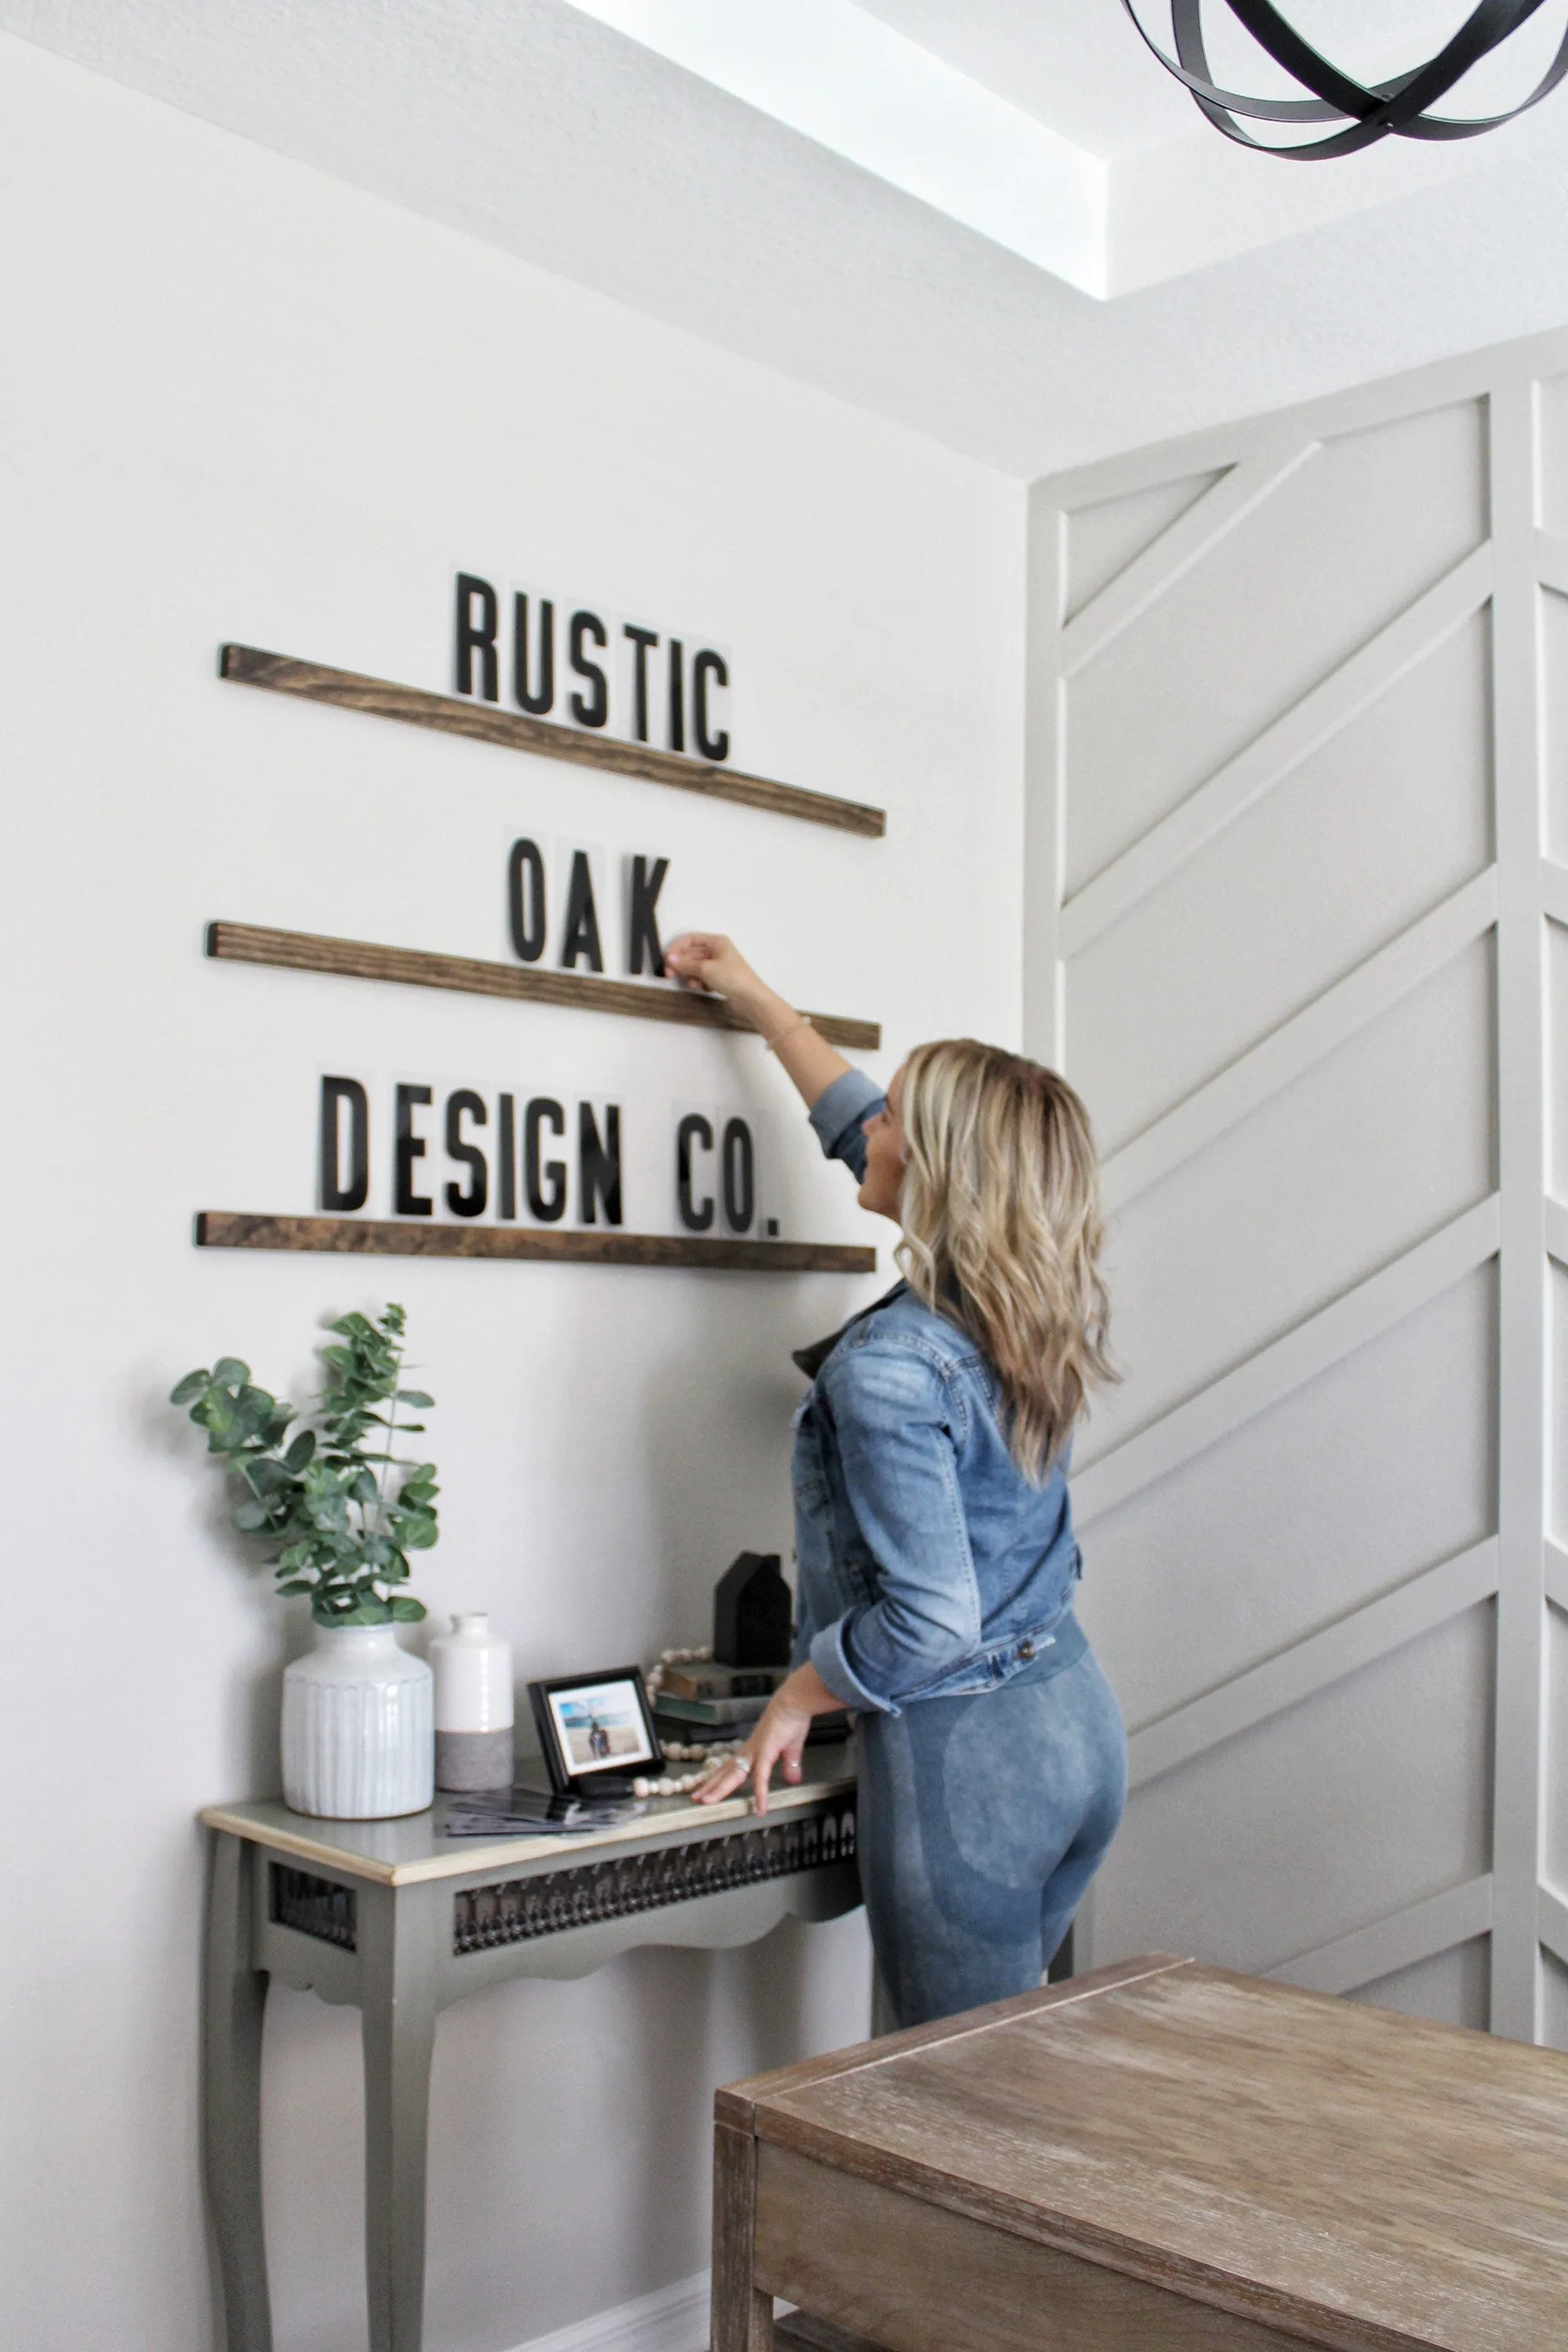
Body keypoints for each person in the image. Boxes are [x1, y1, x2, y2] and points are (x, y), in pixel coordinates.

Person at [668, 931, 1127, 2031]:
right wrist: (756, 1000)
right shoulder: (1025, 1301)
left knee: (963, 2118)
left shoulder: (891, 1371)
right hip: (1073, 1726)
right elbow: (856, 1119)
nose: (867, 1127)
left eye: (891, 1124)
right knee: (1014, 2080)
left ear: (937, 1172)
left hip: (972, 1766)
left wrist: (797, 1692)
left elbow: (928, 1623)